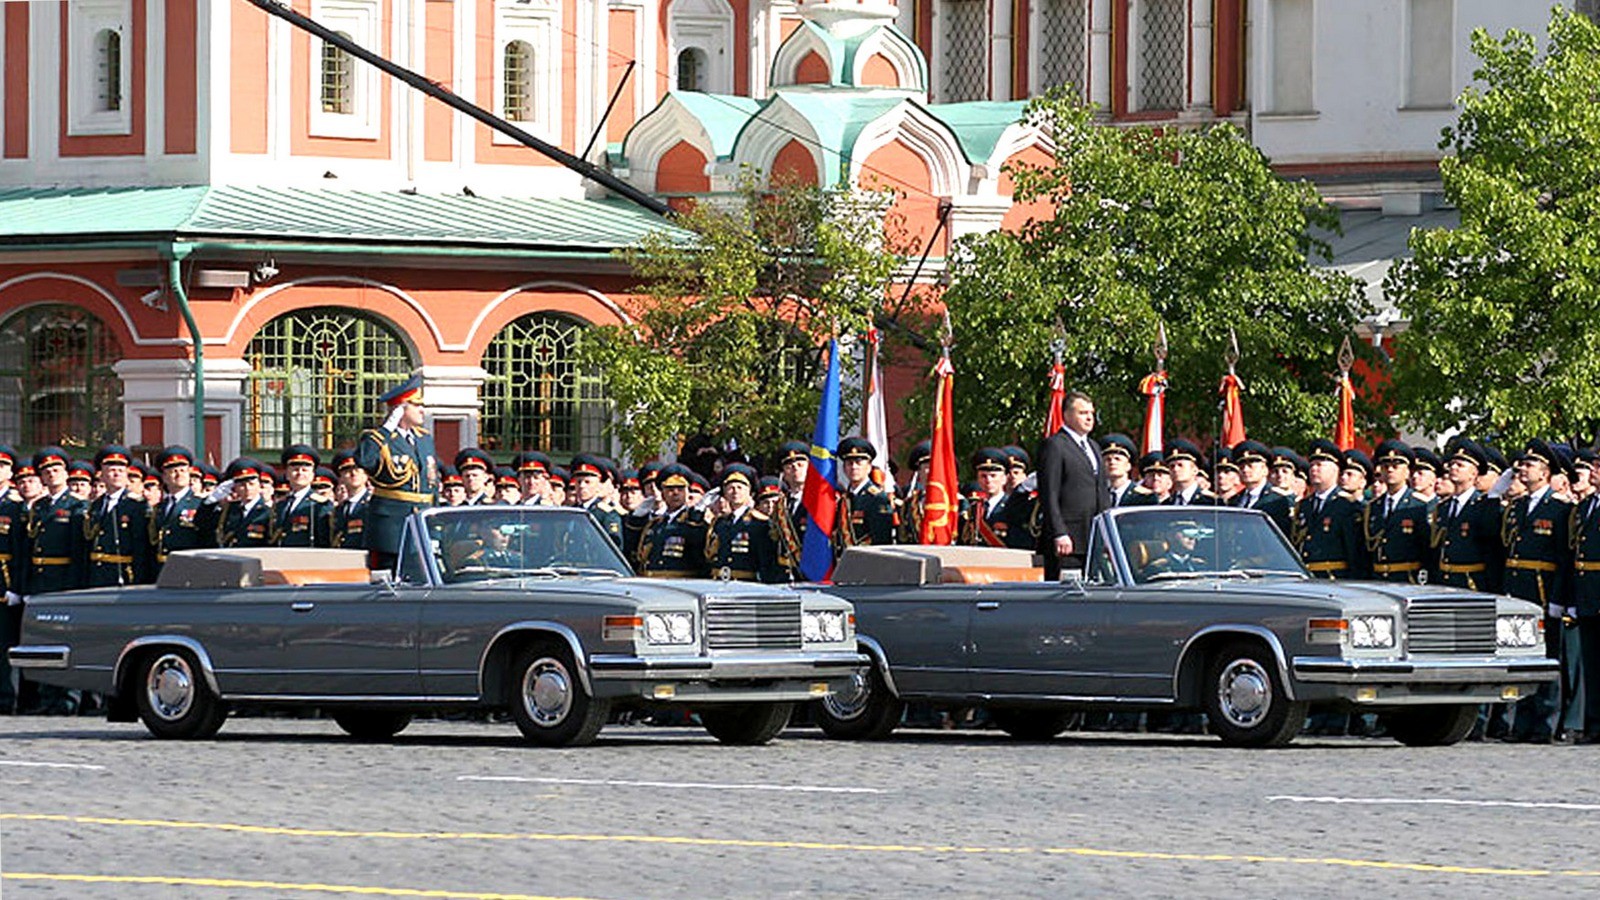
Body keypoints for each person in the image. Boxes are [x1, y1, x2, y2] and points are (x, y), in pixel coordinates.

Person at [1501, 439, 1574, 743]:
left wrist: (1558, 599)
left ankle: (1545, 723)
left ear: (1545, 472)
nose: (1522, 468)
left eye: (1530, 465)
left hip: (1543, 592)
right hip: (1518, 591)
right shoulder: (1517, 507)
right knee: (1521, 661)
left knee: (1546, 660)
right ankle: (1521, 723)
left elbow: (1564, 558)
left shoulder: (1560, 509)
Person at [355, 374, 438, 570]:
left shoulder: (423, 439)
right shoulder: (378, 438)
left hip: (420, 522)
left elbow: (433, 481)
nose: (421, 410)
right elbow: (364, 460)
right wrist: (386, 429)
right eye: (415, 405)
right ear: (400, 409)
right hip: (390, 526)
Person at [1035, 390, 1109, 579]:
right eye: (1083, 413)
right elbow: (1049, 493)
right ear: (1067, 415)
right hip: (1068, 540)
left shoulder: (1093, 446)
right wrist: (1059, 532)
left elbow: (1100, 490)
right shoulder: (1055, 445)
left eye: (1091, 413)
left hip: (1093, 536)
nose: (1089, 418)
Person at [1431, 439, 1503, 593]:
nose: (1453, 468)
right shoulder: (1443, 507)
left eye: (1460, 465)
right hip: (1444, 582)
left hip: (1471, 583)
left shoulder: (1483, 505)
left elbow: (1492, 548)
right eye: (1452, 464)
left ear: (1474, 473)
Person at [1297, 439, 1369, 579]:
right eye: (1311, 465)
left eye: (1319, 465)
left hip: (1335, 579)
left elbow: (1355, 554)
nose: (1313, 469)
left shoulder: (1349, 505)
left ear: (1335, 469)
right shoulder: (1304, 506)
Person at [85, 445, 154, 587]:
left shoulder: (136, 505)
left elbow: (141, 547)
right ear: (101, 474)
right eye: (111, 470)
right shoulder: (96, 505)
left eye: (121, 471)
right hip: (97, 574)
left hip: (123, 574)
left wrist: (140, 580)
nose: (116, 474)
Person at [1364, 440, 1431, 584]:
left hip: (1407, 579)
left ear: (1407, 472)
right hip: (1377, 580)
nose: (1390, 470)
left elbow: (1427, 550)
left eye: (1395, 466)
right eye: (1385, 466)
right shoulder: (1373, 507)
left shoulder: (1420, 505)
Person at [150, 445, 214, 574]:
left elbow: (208, 541)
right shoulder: (160, 508)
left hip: (189, 570)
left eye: (183, 470)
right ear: (164, 476)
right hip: (161, 570)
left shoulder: (200, 505)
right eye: (173, 471)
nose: (179, 475)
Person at [1572, 450, 1600, 743]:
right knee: (1592, 664)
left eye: (1599, 466)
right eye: (1594, 465)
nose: (1593, 470)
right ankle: (1594, 722)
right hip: (1587, 594)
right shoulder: (1586, 507)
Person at [637, 464, 708, 577]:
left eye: (680, 489)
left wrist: (696, 517)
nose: (675, 493)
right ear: (662, 493)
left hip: (681, 584)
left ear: (687, 492)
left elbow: (699, 550)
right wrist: (636, 519)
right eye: (670, 489)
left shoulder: (693, 522)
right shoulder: (655, 524)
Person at [705, 464, 770, 581]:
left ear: (750, 492)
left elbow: (765, 560)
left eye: (740, 487)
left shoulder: (759, 523)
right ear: (724, 493)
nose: (735, 491)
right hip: (719, 582)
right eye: (730, 487)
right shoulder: (719, 522)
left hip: (746, 584)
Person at [834, 437, 896, 551]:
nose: (854, 467)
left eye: (858, 463)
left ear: (869, 467)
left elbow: (882, 539)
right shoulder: (843, 499)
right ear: (844, 468)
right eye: (849, 463)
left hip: (869, 562)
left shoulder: (877, 498)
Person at [274, 445, 334, 548]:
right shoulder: (281, 504)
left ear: (312, 475)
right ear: (287, 474)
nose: (299, 473)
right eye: (295, 469)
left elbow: (324, 540)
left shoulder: (319, 504)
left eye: (304, 470)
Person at [1231, 440, 1294, 537]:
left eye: (1250, 466)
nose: (1245, 470)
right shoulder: (1235, 500)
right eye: (1242, 466)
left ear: (1265, 470)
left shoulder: (1278, 500)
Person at [214, 458, 273, 548]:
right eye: (242, 485)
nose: (247, 489)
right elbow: (204, 523)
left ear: (259, 485)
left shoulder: (268, 512)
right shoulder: (229, 510)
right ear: (235, 488)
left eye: (251, 484)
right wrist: (211, 499)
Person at [571, 454, 623, 548]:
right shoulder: (572, 511)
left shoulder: (606, 514)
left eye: (587, 482)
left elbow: (614, 546)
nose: (582, 486)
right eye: (579, 482)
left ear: (598, 486)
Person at [964, 448, 1012, 547]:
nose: (988, 480)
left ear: (1004, 479)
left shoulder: (1012, 506)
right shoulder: (974, 509)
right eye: (983, 476)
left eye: (993, 476)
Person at [331, 450, 371, 551]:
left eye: (357, 469)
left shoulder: (372, 504)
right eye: (346, 470)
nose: (353, 473)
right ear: (340, 478)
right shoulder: (339, 510)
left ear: (366, 475)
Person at [1163, 439, 1217, 506]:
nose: (1175, 469)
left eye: (1180, 465)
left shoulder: (1211, 502)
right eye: (1172, 466)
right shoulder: (1166, 504)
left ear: (1194, 470)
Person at [1101, 434, 1139, 508]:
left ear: (1128, 465)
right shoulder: (1100, 496)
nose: (1112, 462)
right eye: (1108, 459)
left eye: (1117, 459)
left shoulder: (1144, 497)